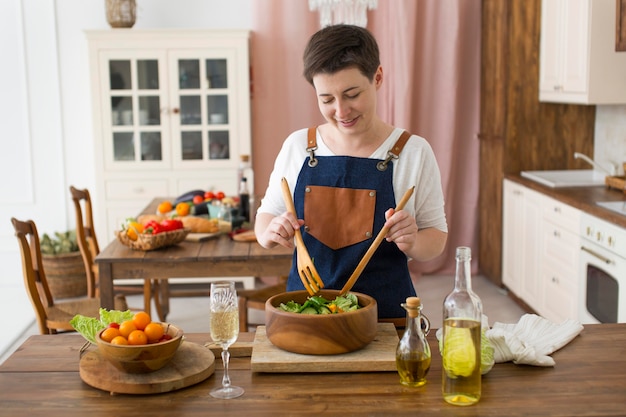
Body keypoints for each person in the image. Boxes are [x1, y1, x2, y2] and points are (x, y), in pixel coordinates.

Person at [254, 24, 448, 320]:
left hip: (386, 316)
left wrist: (413, 241)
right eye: (327, 99)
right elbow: (266, 216)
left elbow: (436, 236)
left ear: (378, 78)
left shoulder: (413, 151)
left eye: (352, 94)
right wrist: (270, 233)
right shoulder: (298, 146)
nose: (341, 111)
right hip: (306, 313)